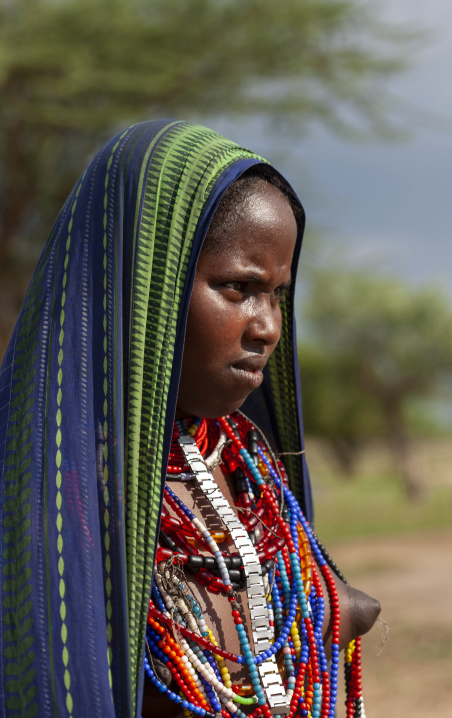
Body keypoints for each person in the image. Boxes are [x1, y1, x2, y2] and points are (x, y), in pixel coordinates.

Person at [0, 120, 380, 718]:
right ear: (144, 281)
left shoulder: (246, 461)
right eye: (237, 288)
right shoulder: (56, 495)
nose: (268, 327)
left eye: (278, 294)